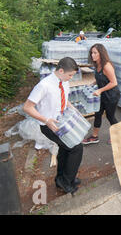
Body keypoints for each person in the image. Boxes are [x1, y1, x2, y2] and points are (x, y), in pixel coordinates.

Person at [23, 57, 82, 194]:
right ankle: (66, 181)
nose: (71, 78)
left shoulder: (64, 82)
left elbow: (64, 100)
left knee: (66, 149)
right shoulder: (44, 85)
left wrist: (74, 109)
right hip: (48, 126)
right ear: (61, 70)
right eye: (70, 75)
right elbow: (27, 107)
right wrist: (46, 120)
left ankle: (62, 178)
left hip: (61, 122)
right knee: (76, 148)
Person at [82, 44, 120, 145]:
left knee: (110, 116)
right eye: (91, 53)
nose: (92, 55)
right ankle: (94, 137)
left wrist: (99, 90)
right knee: (97, 114)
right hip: (102, 95)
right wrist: (93, 83)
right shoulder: (97, 64)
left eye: (95, 53)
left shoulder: (106, 66)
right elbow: (101, 77)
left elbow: (114, 82)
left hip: (112, 96)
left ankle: (118, 135)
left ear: (101, 53)